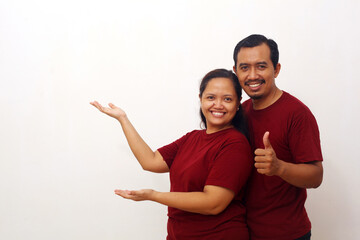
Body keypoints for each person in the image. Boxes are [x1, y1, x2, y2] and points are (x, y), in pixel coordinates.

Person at [90, 69, 253, 239]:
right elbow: (150, 161)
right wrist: (123, 119)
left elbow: (213, 203)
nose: (218, 105)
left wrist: (154, 195)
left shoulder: (235, 144)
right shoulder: (192, 138)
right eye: (211, 97)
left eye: (227, 99)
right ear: (201, 98)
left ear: (238, 103)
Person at [232, 34, 323, 240]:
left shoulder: (297, 113)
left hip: (286, 235)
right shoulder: (239, 112)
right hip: (243, 232)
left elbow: (316, 176)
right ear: (235, 71)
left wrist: (279, 167)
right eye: (245, 67)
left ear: (277, 69)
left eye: (261, 66)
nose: (252, 75)